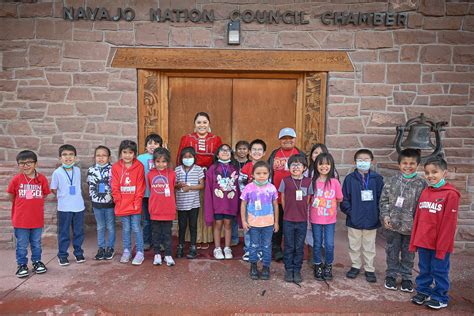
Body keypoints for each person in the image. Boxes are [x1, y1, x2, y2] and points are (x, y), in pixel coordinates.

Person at [409, 157, 460, 310]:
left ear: (445, 173)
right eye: (427, 173)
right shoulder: (425, 191)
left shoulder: (451, 194)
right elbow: (418, 217)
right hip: (424, 240)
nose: (430, 176)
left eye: (434, 172)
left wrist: (442, 246)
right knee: (424, 268)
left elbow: (449, 224)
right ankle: (423, 291)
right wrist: (415, 240)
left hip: (440, 243)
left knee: (439, 269)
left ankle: (440, 296)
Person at [380, 149, 426, 292]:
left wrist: (420, 225)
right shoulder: (392, 181)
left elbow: (423, 206)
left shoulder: (421, 184)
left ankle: (406, 276)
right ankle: (391, 275)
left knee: (409, 253)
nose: (408, 166)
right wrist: (386, 216)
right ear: (399, 164)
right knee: (392, 250)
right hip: (392, 225)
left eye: (412, 163)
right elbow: (384, 201)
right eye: (404, 163)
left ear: (417, 165)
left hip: (411, 227)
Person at [176, 112, 222, 249]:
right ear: (194, 124)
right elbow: (180, 157)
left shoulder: (216, 139)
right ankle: (189, 238)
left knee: (204, 207)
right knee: (189, 207)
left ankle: (205, 237)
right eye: (199, 122)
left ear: (209, 125)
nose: (202, 125)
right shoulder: (186, 138)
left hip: (208, 179)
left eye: (205, 122)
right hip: (189, 178)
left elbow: (218, 160)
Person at [341, 149, 384, 283]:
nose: (363, 162)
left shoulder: (377, 179)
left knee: (369, 245)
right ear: (355, 162)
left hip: (371, 218)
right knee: (354, 244)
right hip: (354, 219)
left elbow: (381, 198)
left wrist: (377, 213)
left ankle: (369, 268)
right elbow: (344, 198)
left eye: (366, 160)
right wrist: (351, 212)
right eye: (360, 160)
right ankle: (355, 266)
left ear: (372, 161)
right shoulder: (349, 179)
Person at [7, 150, 51, 277]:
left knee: (36, 243)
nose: (26, 166)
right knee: (21, 244)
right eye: (22, 163)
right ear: (18, 165)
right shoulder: (16, 179)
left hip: (37, 220)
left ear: (35, 164)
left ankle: (37, 262)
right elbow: (11, 195)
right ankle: (22, 265)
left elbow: (46, 194)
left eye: (29, 163)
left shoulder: (41, 178)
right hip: (21, 220)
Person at [268, 128, 305, 261]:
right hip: (277, 196)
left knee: (292, 225)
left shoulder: (300, 154)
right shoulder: (274, 154)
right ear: (280, 140)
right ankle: (276, 248)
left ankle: (293, 249)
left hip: (294, 199)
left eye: (291, 138)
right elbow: (268, 173)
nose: (287, 140)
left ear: (295, 139)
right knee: (277, 223)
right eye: (284, 138)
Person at [241, 161, 279, 280]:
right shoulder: (249, 188)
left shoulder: (271, 188)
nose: (261, 176)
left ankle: (266, 266)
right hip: (253, 223)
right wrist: (244, 221)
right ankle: (253, 266)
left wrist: (276, 222)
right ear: (252, 174)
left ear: (269, 174)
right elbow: (243, 204)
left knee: (267, 245)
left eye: (264, 173)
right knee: (253, 245)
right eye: (258, 173)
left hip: (268, 223)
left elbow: (275, 205)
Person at [279, 154, 313, 283]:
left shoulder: (308, 181)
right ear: (289, 167)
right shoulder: (285, 181)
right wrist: (287, 211)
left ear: (304, 168)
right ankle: (289, 270)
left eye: (299, 165)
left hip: (302, 220)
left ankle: (297, 270)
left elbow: (308, 199)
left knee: (299, 246)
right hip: (288, 219)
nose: (296, 167)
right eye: (293, 164)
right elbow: (282, 198)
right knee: (288, 245)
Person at [111, 140, 146, 265]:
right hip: (122, 204)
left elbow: (141, 185)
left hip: (135, 204)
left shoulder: (139, 166)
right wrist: (118, 201)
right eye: (124, 152)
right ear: (120, 153)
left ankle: (140, 252)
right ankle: (126, 251)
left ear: (135, 154)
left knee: (136, 228)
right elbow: (114, 186)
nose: (127, 155)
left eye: (130, 153)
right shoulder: (115, 167)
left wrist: (137, 202)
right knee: (125, 228)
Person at [50, 144, 86, 266]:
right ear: (60, 158)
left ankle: (78, 252)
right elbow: (54, 189)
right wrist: (64, 196)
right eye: (64, 155)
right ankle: (62, 255)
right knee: (64, 232)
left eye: (71, 155)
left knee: (79, 232)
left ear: (75, 157)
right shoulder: (57, 173)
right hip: (64, 208)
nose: (68, 157)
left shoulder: (77, 170)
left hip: (78, 206)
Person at [310, 153, 343, 281]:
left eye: (327, 164)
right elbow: (308, 199)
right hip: (315, 219)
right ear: (316, 165)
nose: (324, 166)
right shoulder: (313, 182)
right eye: (321, 163)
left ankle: (328, 265)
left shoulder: (334, 182)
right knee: (317, 243)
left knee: (329, 244)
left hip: (330, 219)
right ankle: (317, 265)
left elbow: (339, 198)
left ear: (331, 166)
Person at [204, 144, 240, 260]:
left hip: (230, 202)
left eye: (228, 150)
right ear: (217, 154)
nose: (225, 152)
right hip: (217, 202)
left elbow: (238, 187)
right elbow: (208, 188)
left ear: (231, 153)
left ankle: (227, 247)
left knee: (228, 224)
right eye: (222, 150)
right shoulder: (212, 169)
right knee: (218, 224)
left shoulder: (234, 168)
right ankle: (218, 248)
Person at [148, 148, 177, 267]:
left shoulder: (172, 174)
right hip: (155, 209)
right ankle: (157, 254)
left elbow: (173, 187)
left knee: (167, 233)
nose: (161, 164)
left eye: (164, 161)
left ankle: (168, 254)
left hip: (168, 209)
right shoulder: (150, 174)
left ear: (168, 162)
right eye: (158, 161)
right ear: (154, 161)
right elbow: (151, 189)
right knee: (155, 233)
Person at [239, 139, 267, 261]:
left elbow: (269, 186)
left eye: (259, 149)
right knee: (249, 226)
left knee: (262, 225)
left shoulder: (267, 167)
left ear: (264, 152)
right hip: (249, 203)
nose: (256, 152)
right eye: (254, 150)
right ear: (249, 152)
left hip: (264, 204)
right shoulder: (246, 167)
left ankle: (260, 250)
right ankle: (249, 249)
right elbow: (241, 184)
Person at [175, 147, 205, 259]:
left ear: (194, 158)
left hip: (193, 203)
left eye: (190, 157)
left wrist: (190, 187)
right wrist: (179, 185)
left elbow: (202, 185)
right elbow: (174, 184)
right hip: (181, 203)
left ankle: (193, 247)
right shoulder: (177, 170)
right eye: (185, 157)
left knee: (193, 225)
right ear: (181, 158)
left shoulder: (198, 169)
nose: (187, 159)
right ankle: (180, 246)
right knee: (182, 226)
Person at [87, 146, 116, 261]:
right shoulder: (91, 170)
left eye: (104, 155)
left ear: (109, 157)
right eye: (98, 155)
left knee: (110, 226)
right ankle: (101, 248)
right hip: (97, 204)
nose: (101, 158)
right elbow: (90, 185)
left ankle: (110, 247)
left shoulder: (113, 169)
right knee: (100, 227)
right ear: (94, 157)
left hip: (109, 203)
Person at [137, 133, 163, 251]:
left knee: (159, 219)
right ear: (146, 146)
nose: (153, 145)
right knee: (147, 220)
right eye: (150, 143)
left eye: (156, 143)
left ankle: (160, 241)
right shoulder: (140, 158)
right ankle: (147, 241)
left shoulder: (163, 157)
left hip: (159, 195)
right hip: (145, 194)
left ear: (161, 146)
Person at [232, 140, 250, 246]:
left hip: (248, 195)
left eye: (244, 149)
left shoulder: (250, 163)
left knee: (247, 216)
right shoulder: (232, 163)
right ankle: (234, 237)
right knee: (234, 215)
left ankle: (247, 238)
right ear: (236, 150)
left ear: (248, 151)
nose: (242, 151)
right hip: (234, 193)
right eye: (239, 149)